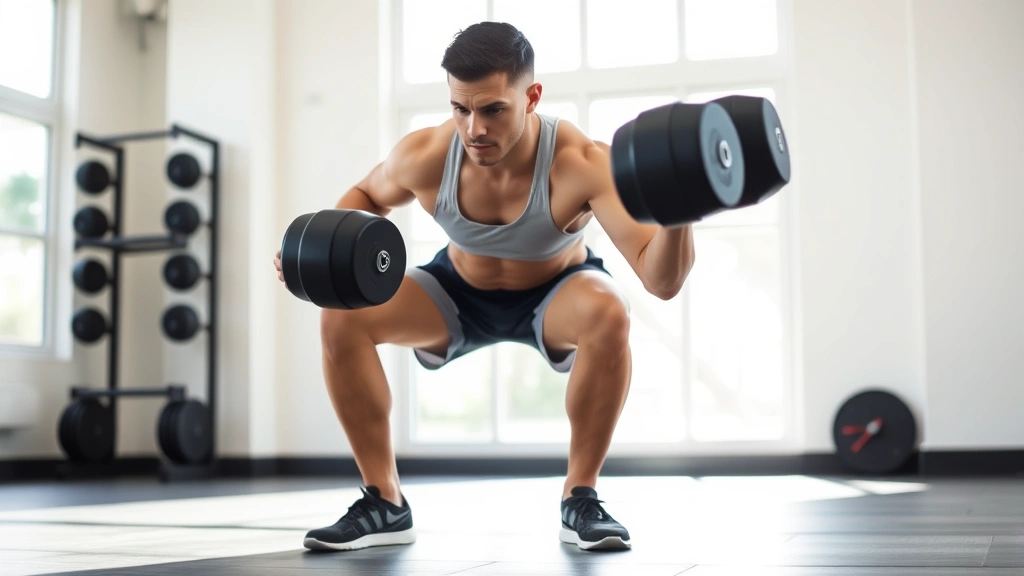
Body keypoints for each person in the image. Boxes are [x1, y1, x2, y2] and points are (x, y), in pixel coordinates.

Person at [273, 21, 695, 552]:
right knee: (340, 315)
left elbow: (661, 280)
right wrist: (323, 254)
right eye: (460, 108)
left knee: (610, 310)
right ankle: (385, 502)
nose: (474, 128)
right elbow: (367, 194)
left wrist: (680, 213)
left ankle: (580, 498)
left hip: (556, 292)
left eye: (494, 109)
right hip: (455, 291)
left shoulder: (582, 164)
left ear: (531, 97)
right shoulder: (426, 155)